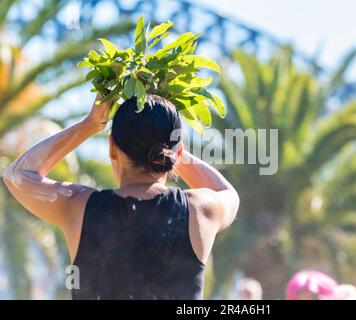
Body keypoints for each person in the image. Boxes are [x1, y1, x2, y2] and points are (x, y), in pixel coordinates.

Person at [3, 94, 240, 300]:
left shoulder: (79, 206)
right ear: (176, 153)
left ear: (111, 147)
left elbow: (17, 175)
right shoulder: (199, 210)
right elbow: (228, 194)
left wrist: (91, 123)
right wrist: (169, 146)